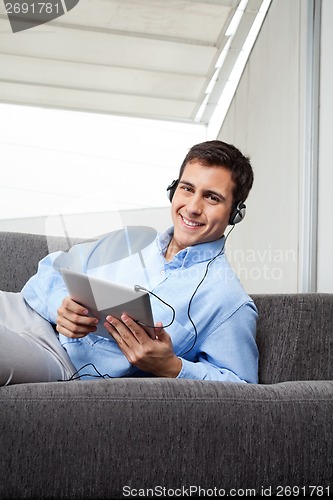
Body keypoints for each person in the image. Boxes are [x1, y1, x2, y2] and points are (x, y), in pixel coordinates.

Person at [0, 140, 258, 385]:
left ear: (235, 213)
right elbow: (49, 270)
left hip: (63, 362)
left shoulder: (228, 300)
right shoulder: (130, 241)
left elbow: (243, 387)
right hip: (28, 312)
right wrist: (59, 306)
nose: (192, 207)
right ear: (173, 190)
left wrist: (173, 367)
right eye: (187, 189)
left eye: (212, 197)